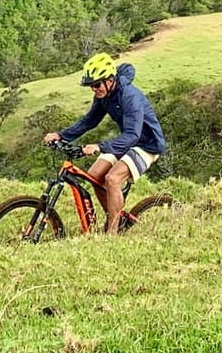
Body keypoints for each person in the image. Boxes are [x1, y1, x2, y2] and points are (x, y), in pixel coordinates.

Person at [44, 53, 166, 236]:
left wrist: (100, 146)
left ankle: (112, 234)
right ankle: (114, 217)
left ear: (110, 80)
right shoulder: (104, 96)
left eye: (97, 85)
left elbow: (133, 134)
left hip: (147, 145)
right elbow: (89, 121)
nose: (94, 89)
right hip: (126, 141)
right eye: (91, 86)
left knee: (112, 179)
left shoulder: (129, 96)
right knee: (94, 175)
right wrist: (61, 136)